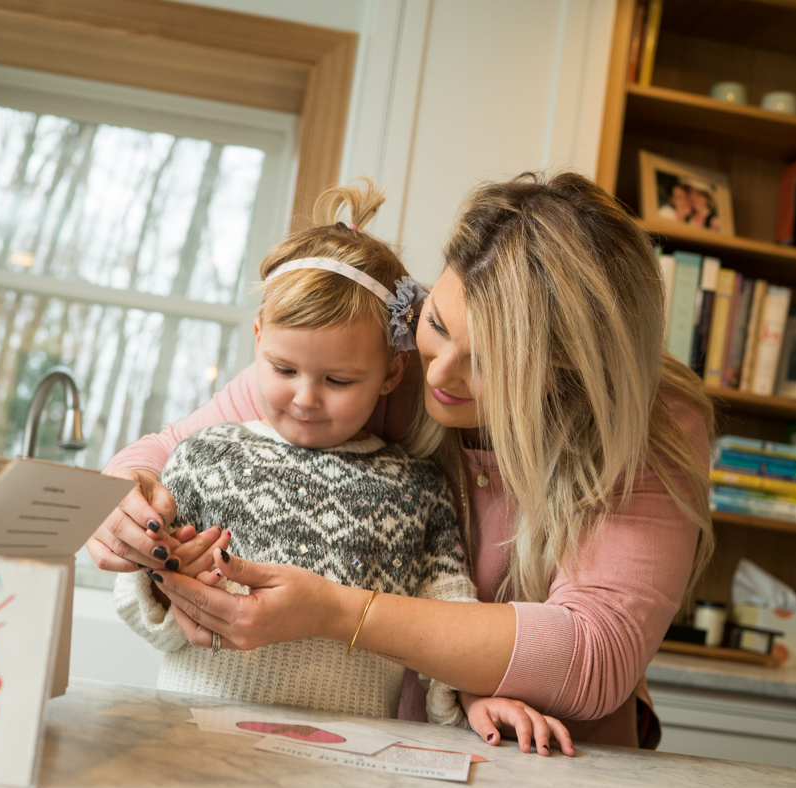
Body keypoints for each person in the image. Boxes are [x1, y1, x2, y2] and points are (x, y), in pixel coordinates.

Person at [89, 171, 713, 756]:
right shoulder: (378, 362)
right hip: (408, 744)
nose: (438, 375)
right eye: (438, 323)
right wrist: (124, 495)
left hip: (559, 758)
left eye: (491, 361)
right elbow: (171, 447)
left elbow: (595, 655)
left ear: (572, 373)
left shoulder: (652, 426)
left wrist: (339, 611)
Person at [112, 181, 480, 727]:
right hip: (194, 741)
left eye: (338, 379)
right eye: (284, 370)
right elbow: (138, 602)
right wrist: (163, 587)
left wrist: (474, 700)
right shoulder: (204, 458)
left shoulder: (417, 490)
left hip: (349, 756)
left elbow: (451, 619)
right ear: (258, 339)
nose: (305, 397)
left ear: (391, 373)